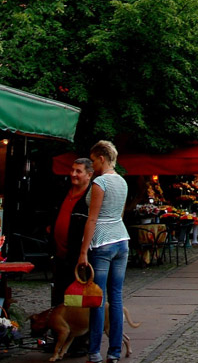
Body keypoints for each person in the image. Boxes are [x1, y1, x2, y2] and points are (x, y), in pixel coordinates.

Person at [78, 141, 130, 363]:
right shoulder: (122, 181)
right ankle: (115, 352)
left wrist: (82, 252)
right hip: (121, 239)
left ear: (101, 158)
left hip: (102, 242)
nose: (92, 164)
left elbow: (93, 218)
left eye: (93, 160)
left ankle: (95, 352)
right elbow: (119, 213)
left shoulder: (101, 182)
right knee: (116, 299)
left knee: (97, 299)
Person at [51, 158, 93, 306]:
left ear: (89, 175)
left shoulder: (90, 197)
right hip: (59, 253)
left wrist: (83, 253)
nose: (73, 174)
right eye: (72, 170)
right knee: (59, 293)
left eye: (78, 171)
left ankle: (75, 326)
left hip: (76, 255)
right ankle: (59, 325)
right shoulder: (64, 191)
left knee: (75, 295)